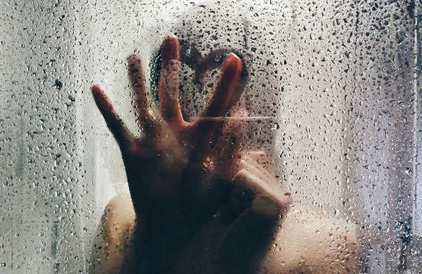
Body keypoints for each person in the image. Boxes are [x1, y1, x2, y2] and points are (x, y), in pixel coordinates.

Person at [91, 34, 360, 274]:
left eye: (225, 74)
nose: (200, 100)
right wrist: (155, 243)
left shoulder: (322, 245)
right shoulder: (124, 216)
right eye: (182, 72)